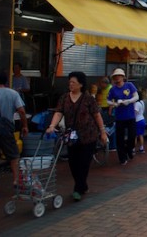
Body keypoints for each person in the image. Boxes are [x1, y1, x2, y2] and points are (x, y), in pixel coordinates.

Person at [46, 71, 108, 201]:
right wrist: (52, 125)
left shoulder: (88, 99)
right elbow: (58, 113)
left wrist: (102, 132)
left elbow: (97, 115)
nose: (71, 84)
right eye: (70, 82)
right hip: (71, 136)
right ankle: (82, 185)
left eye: (73, 82)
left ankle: (78, 189)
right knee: (73, 163)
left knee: (84, 162)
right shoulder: (64, 98)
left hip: (88, 135)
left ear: (80, 84)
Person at [0, 70, 28, 194]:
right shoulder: (13, 93)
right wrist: (25, 126)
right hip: (7, 131)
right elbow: (22, 111)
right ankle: (16, 181)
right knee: (14, 157)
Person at [107, 68, 138, 165]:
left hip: (130, 116)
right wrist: (114, 104)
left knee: (132, 136)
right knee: (119, 138)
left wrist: (128, 101)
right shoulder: (113, 89)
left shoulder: (129, 85)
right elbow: (108, 100)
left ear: (123, 77)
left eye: (119, 76)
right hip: (119, 117)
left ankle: (128, 149)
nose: (117, 78)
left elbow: (136, 97)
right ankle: (122, 158)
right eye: (115, 76)